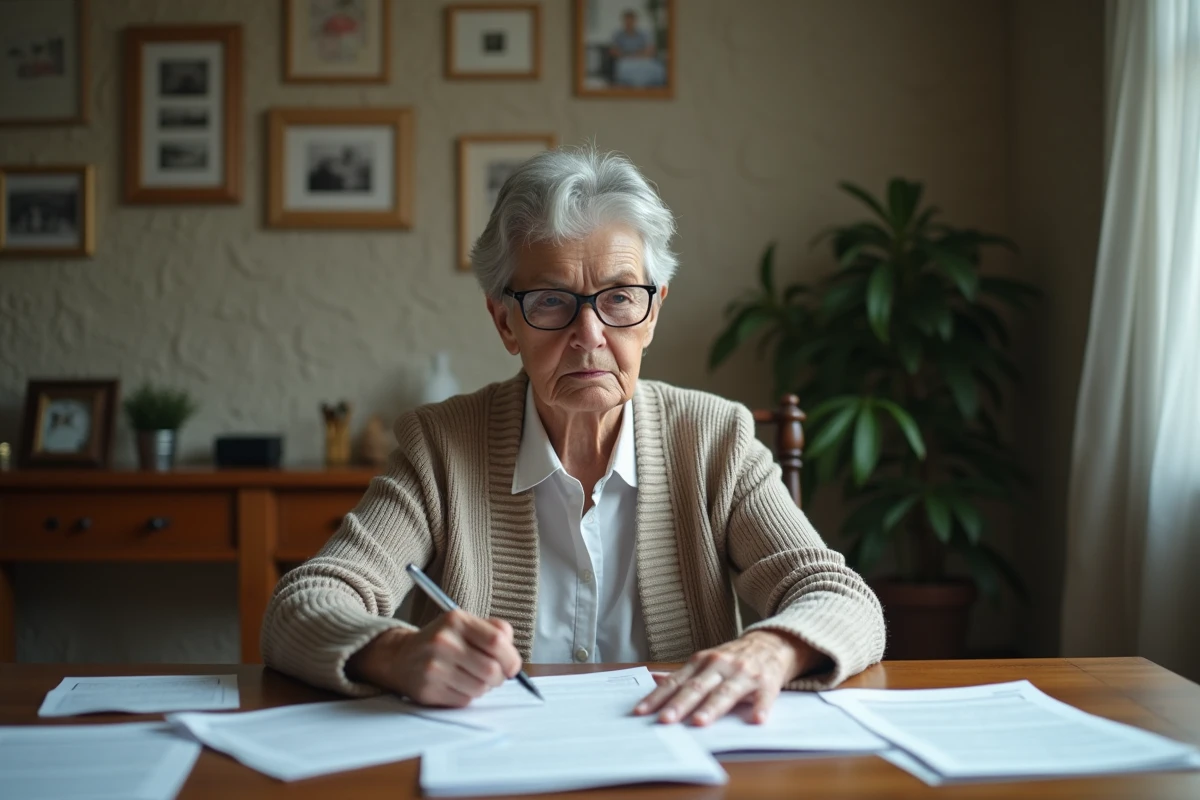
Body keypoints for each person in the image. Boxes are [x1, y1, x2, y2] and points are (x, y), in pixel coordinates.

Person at [261, 145, 885, 726]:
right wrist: (396, 653)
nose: (589, 334)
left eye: (618, 298)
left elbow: (840, 597)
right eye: (553, 302)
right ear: (505, 322)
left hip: (675, 760)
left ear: (653, 312)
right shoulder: (440, 446)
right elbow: (303, 604)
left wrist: (770, 650)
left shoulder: (715, 440)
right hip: (496, 767)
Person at [607, 9, 666, 87]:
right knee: (621, 68)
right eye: (627, 21)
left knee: (657, 68)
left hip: (642, 60)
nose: (629, 24)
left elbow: (650, 50)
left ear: (635, 21)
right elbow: (613, 50)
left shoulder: (644, 34)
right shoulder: (618, 35)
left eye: (631, 21)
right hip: (625, 61)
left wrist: (638, 55)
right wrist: (626, 55)